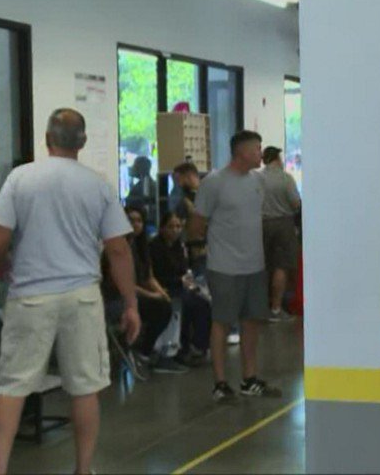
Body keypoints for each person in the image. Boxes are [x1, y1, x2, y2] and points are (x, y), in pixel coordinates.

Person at [0, 108, 140, 475]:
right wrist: (131, 304)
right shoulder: (98, 184)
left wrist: (1, 266)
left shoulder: (21, 178)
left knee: (12, 387)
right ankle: (83, 469)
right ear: (82, 142)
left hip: (30, 296)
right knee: (84, 388)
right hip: (82, 297)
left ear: (46, 139)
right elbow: (118, 249)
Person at [188, 130, 282, 402]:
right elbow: (197, 224)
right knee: (222, 322)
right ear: (241, 152)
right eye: (256, 149)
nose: (260, 154)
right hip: (224, 267)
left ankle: (249, 379)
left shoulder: (257, 180)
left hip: (254, 265)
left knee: (251, 322)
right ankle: (220, 383)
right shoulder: (214, 182)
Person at [115, 205, 188, 374]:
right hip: (121, 297)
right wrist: (153, 295)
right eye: (130, 220)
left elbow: (148, 277)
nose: (135, 224)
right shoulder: (118, 247)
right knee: (162, 307)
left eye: (139, 221)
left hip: (138, 292)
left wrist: (161, 293)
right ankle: (147, 351)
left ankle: (169, 351)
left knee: (172, 300)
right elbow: (125, 283)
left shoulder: (141, 247)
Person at [149, 211, 210, 366]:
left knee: (203, 303)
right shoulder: (155, 247)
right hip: (165, 287)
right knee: (187, 305)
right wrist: (179, 281)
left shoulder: (179, 247)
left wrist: (188, 280)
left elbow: (184, 269)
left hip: (180, 286)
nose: (175, 230)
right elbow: (156, 275)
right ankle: (181, 348)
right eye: (171, 226)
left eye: (178, 226)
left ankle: (199, 345)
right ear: (162, 228)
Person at [260, 146, 301, 321]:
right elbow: (296, 203)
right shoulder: (286, 179)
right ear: (277, 159)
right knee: (281, 266)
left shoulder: (256, 178)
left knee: (262, 266)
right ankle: (276, 309)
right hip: (283, 225)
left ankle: (260, 307)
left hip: (260, 224)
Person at [125, 155, 157, 227]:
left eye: (134, 166)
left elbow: (129, 204)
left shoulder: (139, 187)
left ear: (140, 168)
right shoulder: (154, 185)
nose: (132, 168)